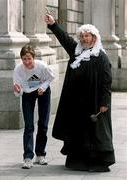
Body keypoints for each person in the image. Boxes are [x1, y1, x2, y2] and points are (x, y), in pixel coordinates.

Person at [45, 14, 115, 172]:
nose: (83, 38)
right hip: (77, 103)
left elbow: (106, 82)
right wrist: (53, 24)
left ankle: (97, 163)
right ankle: (78, 161)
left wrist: (105, 103)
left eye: (87, 36)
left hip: (94, 103)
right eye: (82, 36)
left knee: (95, 134)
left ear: (94, 38)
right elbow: (65, 39)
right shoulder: (76, 52)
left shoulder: (101, 57)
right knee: (78, 132)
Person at [13, 44, 54, 169]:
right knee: (29, 125)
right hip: (27, 93)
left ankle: (40, 154)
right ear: (21, 59)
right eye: (24, 59)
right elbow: (17, 92)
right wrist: (17, 90)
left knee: (43, 124)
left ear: (34, 58)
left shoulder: (41, 66)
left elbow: (50, 77)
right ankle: (28, 157)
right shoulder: (18, 70)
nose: (27, 62)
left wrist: (43, 87)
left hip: (43, 91)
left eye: (29, 58)